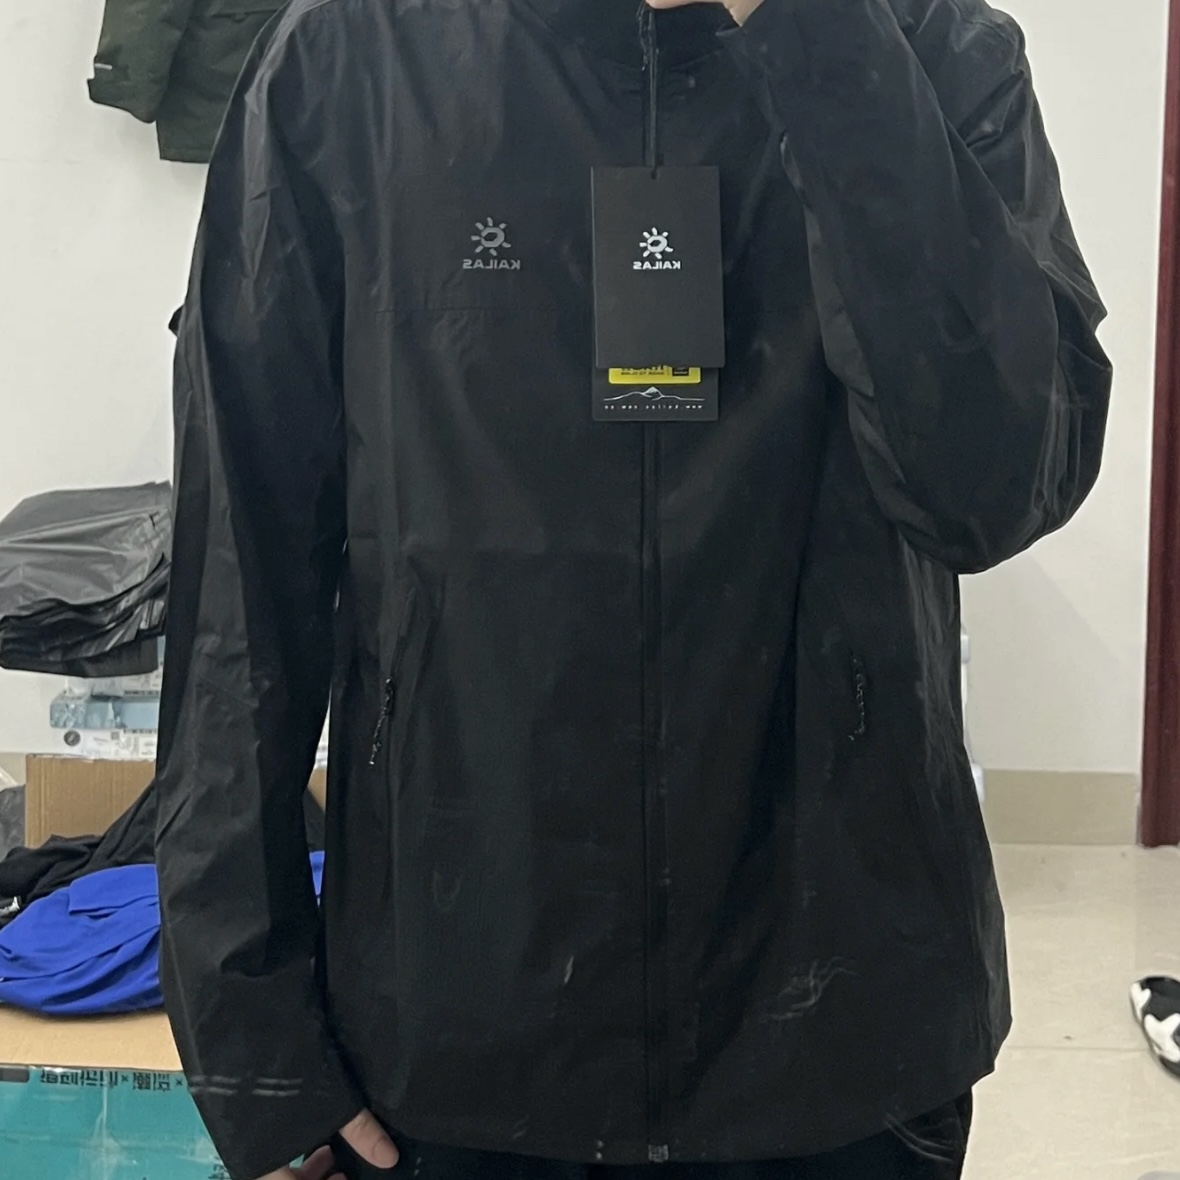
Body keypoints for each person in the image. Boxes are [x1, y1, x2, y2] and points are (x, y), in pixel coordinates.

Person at [154, 0, 1112, 1178]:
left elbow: (995, 485)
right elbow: (240, 564)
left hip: (841, 1033)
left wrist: (820, 43)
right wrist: (252, 1040)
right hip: (455, 1034)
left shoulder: (933, 47)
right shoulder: (349, 52)